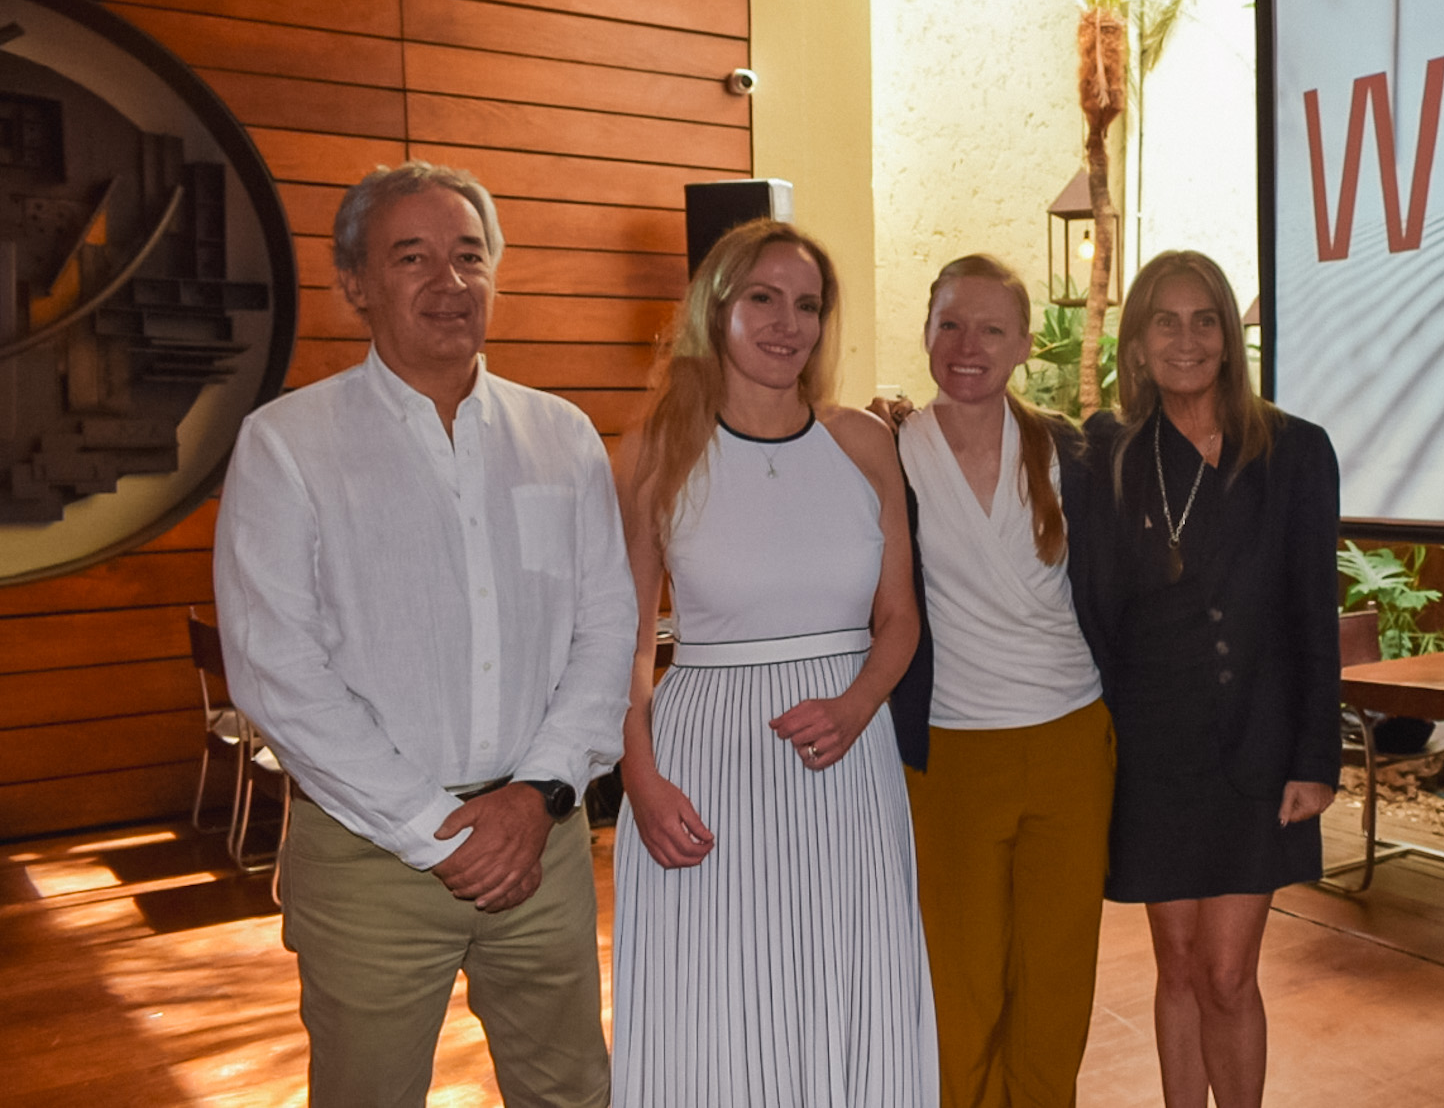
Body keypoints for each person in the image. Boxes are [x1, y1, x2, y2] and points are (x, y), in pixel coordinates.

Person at [213, 160, 636, 1107]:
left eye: (469, 255)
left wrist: (536, 796)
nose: (449, 280)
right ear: (355, 283)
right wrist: (431, 831)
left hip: (542, 841)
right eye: (413, 256)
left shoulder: (561, 434)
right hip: (369, 855)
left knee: (571, 1092)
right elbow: (277, 672)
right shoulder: (288, 445)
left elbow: (608, 627)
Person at [610, 218, 937, 1106]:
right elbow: (628, 642)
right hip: (706, 762)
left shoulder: (866, 443)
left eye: (807, 304)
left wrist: (860, 702)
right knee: (719, 1008)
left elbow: (900, 617)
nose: (788, 322)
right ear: (717, 307)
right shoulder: (652, 451)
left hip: (846, 755)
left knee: (848, 979)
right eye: (763, 298)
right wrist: (639, 778)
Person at [1082, 250, 1341, 1108]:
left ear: (1229, 338)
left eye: (1204, 321)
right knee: (1179, 966)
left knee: (1230, 972)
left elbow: (1312, 610)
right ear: (1139, 339)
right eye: (1166, 320)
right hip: (1155, 754)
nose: (1185, 340)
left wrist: (1316, 755)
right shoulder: (1110, 454)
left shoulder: (1296, 451)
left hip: (1256, 752)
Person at [888, 255, 1116, 1108]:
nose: (968, 344)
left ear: (1024, 342)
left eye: (990, 327)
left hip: (1070, 742)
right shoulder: (889, 451)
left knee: (1057, 981)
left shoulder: (1073, 453)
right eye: (950, 323)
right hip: (950, 754)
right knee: (960, 986)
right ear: (926, 333)